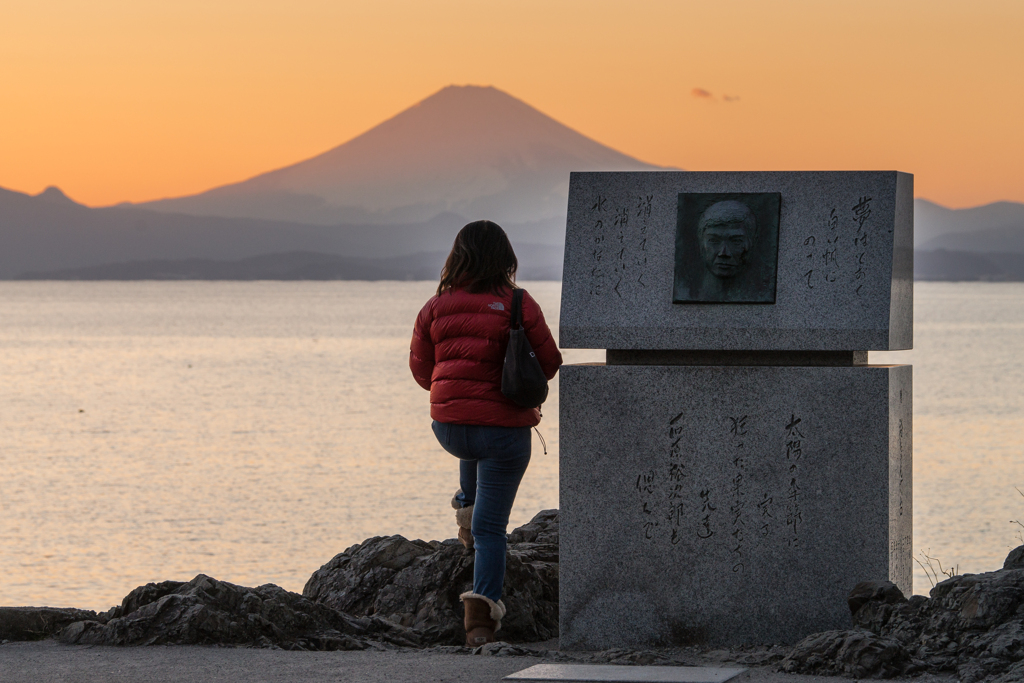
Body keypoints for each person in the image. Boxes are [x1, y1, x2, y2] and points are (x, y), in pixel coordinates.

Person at [409, 220, 562, 646]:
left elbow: (421, 371)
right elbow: (549, 363)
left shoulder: (434, 307)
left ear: (457, 257)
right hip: (503, 432)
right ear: (505, 258)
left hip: (450, 428)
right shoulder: (519, 303)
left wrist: (458, 393)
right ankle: (479, 622)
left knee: (473, 451)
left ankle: (466, 513)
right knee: (491, 528)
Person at [693, 200, 759, 301]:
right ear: (702, 244)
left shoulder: (758, 292)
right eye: (714, 241)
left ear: (750, 243)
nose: (723, 253)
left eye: (736, 241)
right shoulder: (688, 290)